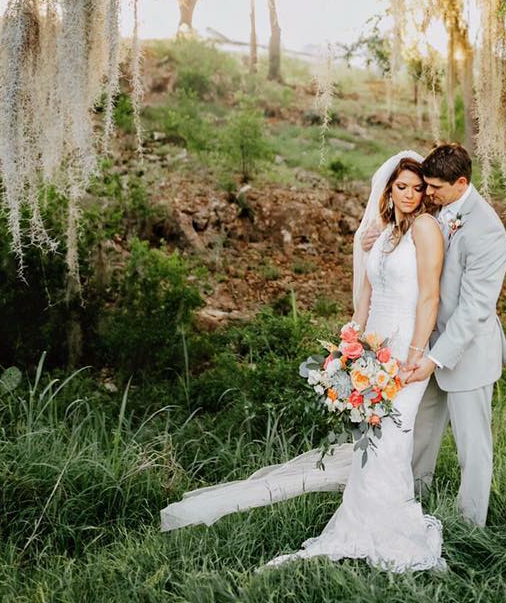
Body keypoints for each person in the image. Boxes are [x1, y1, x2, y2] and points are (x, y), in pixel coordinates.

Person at [159, 150, 448, 573]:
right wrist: (350, 344)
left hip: (406, 351)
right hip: (372, 349)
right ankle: (360, 522)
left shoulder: (425, 227)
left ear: (425, 193)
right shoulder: (383, 233)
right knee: (369, 439)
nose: (409, 194)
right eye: (401, 187)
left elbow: (429, 297)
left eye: (417, 188)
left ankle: (391, 529)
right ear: (388, 190)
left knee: (392, 439)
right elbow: (367, 295)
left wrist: (415, 356)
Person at [367, 142, 506, 526]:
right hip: (426, 343)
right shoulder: (440, 209)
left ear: (461, 183)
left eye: (434, 187)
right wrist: (379, 238)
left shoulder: (487, 230)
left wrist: (433, 359)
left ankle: (470, 525)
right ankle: (409, 506)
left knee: (472, 447)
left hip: (466, 352)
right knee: (420, 435)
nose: (426, 193)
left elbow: (475, 309)